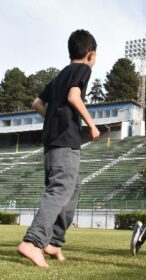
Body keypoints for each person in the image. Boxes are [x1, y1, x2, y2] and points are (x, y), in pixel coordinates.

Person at [17, 30, 99, 268]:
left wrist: (53, 118)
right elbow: (75, 97)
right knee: (61, 189)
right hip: (65, 142)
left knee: (73, 188)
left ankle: (53, 242)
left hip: (54, 141)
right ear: (90, 53)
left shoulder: (60, 75)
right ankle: (33, 242)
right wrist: (92, 126)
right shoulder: (83, 69)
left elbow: (37, 103)